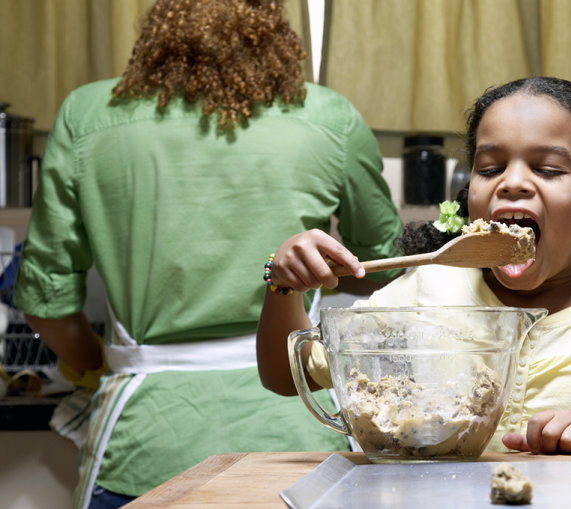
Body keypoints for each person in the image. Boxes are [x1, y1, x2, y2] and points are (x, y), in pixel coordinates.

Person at [13, 1, 402, 507]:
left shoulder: (87, 115)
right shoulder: (328, 116)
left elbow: (47, 307)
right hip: (298, 442)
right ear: (271, 17)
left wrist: (105, 364)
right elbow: (381, 271)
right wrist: (300, 275)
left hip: (144, 443)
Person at [257, 76, 571, 456]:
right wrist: (282, 287)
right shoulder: (428, 288)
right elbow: (283, 375)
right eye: (490, 167)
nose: (512, 183)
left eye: (548, 169)